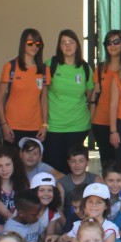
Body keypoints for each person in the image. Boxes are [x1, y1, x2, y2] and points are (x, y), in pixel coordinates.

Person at [45, 29, 94, 171]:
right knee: (53, 166)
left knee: (74, 167)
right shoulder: (50, 65)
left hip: (78, 126)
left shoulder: (85, 68)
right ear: (59, 46)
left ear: (77, 45)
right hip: (54, 125)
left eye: (71, 42)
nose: (68, 45)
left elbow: (90, 96)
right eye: (63, 42)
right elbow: (42, 95)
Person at [0, 28, 50, 146]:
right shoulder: (10, 67)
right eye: (30, 43)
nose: (34, 46)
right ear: (23, 44)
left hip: (35, 127)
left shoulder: (44, 70)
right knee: (13, 163)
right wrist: (3, 124)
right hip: (12, 126)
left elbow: (44, 100)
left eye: (38, 44)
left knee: (32, 163)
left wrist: (44, 125)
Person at [91, 29, 121, 165]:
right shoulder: (100, 68)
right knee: (107, 162)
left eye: (116, 41)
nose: (113, 45)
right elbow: (95, 96)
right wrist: (91, 121)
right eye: (109, 43)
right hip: (101, 122)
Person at [0, 144, 29, 229]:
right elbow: (7, 214)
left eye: (7, 164)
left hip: (21, 222)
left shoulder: (23, 182)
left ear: (14, 164)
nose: (4, 170)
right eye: (0, 166)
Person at [58, 144, 97, 222]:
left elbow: (100, 206)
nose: (77, 165)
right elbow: (59, 208)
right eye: (73, 161)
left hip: (91, 220)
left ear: (87, 162)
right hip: (68, 220)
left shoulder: (95, 180)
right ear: (69, 163)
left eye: (81, 161)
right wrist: (66, 225)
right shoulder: (62, 183)